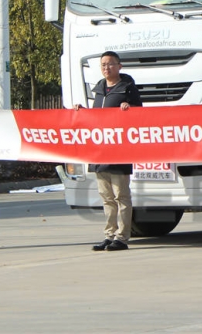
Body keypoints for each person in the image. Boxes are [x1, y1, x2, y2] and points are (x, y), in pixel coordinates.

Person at [81, 51, 142, 252]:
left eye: (110, 64)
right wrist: (81, 111)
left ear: (119, 66)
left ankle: (122, 237)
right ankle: (109, 234)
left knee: (121, 196)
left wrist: (130, 108)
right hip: (100, 152)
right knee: (106, 197)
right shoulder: (98, 90)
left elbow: (141, 114)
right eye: (103, 65)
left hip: (120, 151)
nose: (106, 68)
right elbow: (94, 118)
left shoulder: (128, 89)